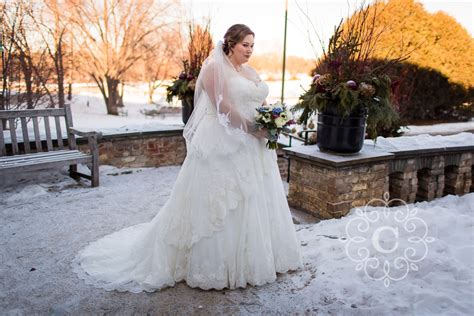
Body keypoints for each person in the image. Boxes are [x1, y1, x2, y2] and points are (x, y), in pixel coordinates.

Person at [72, 24, 303, 292]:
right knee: (220, 202)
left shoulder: (249, 71)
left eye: (252, 45)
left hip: (252, 145)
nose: (250, 50)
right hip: (223, 141)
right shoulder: (215, 68)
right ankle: (216, 263)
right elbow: (222, 107)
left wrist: (273, 121)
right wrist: (255, 130)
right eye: (245, 45)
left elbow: (260, 103)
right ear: (230, 44)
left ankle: (255, 258)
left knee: (252, 198)